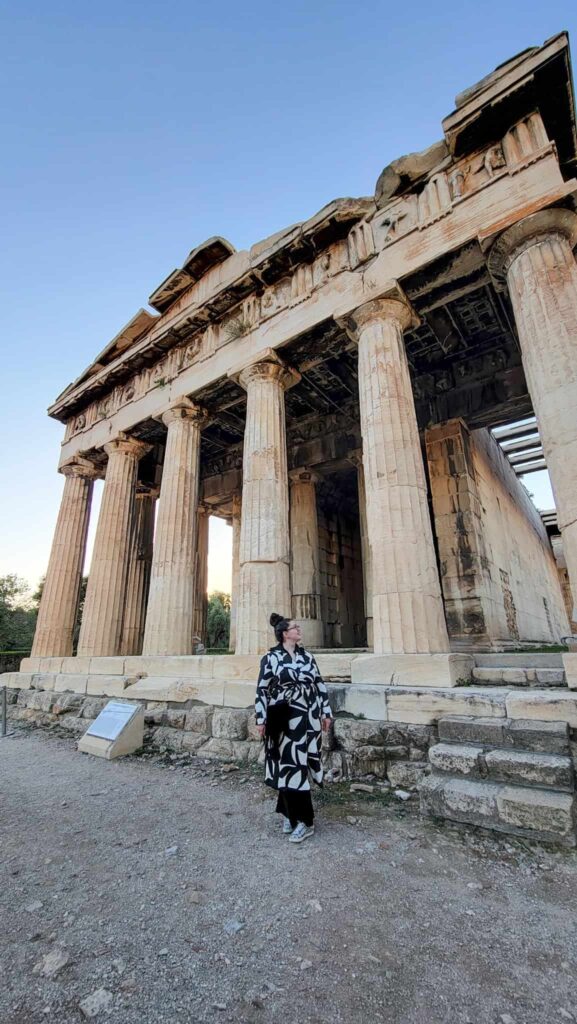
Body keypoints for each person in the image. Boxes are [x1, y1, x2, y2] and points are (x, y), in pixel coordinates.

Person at [254, 612, 333, 843]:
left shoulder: (307, 657)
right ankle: (299, 818)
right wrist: (261, 719)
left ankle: (299, 818)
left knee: (300, 763)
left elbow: (319, 684)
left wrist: (326, 712)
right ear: (284, 633)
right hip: (282, 718)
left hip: (308, 717)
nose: (299, 629)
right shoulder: (271, 658)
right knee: (287, 765)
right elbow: (262, 689)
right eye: (295, 627)